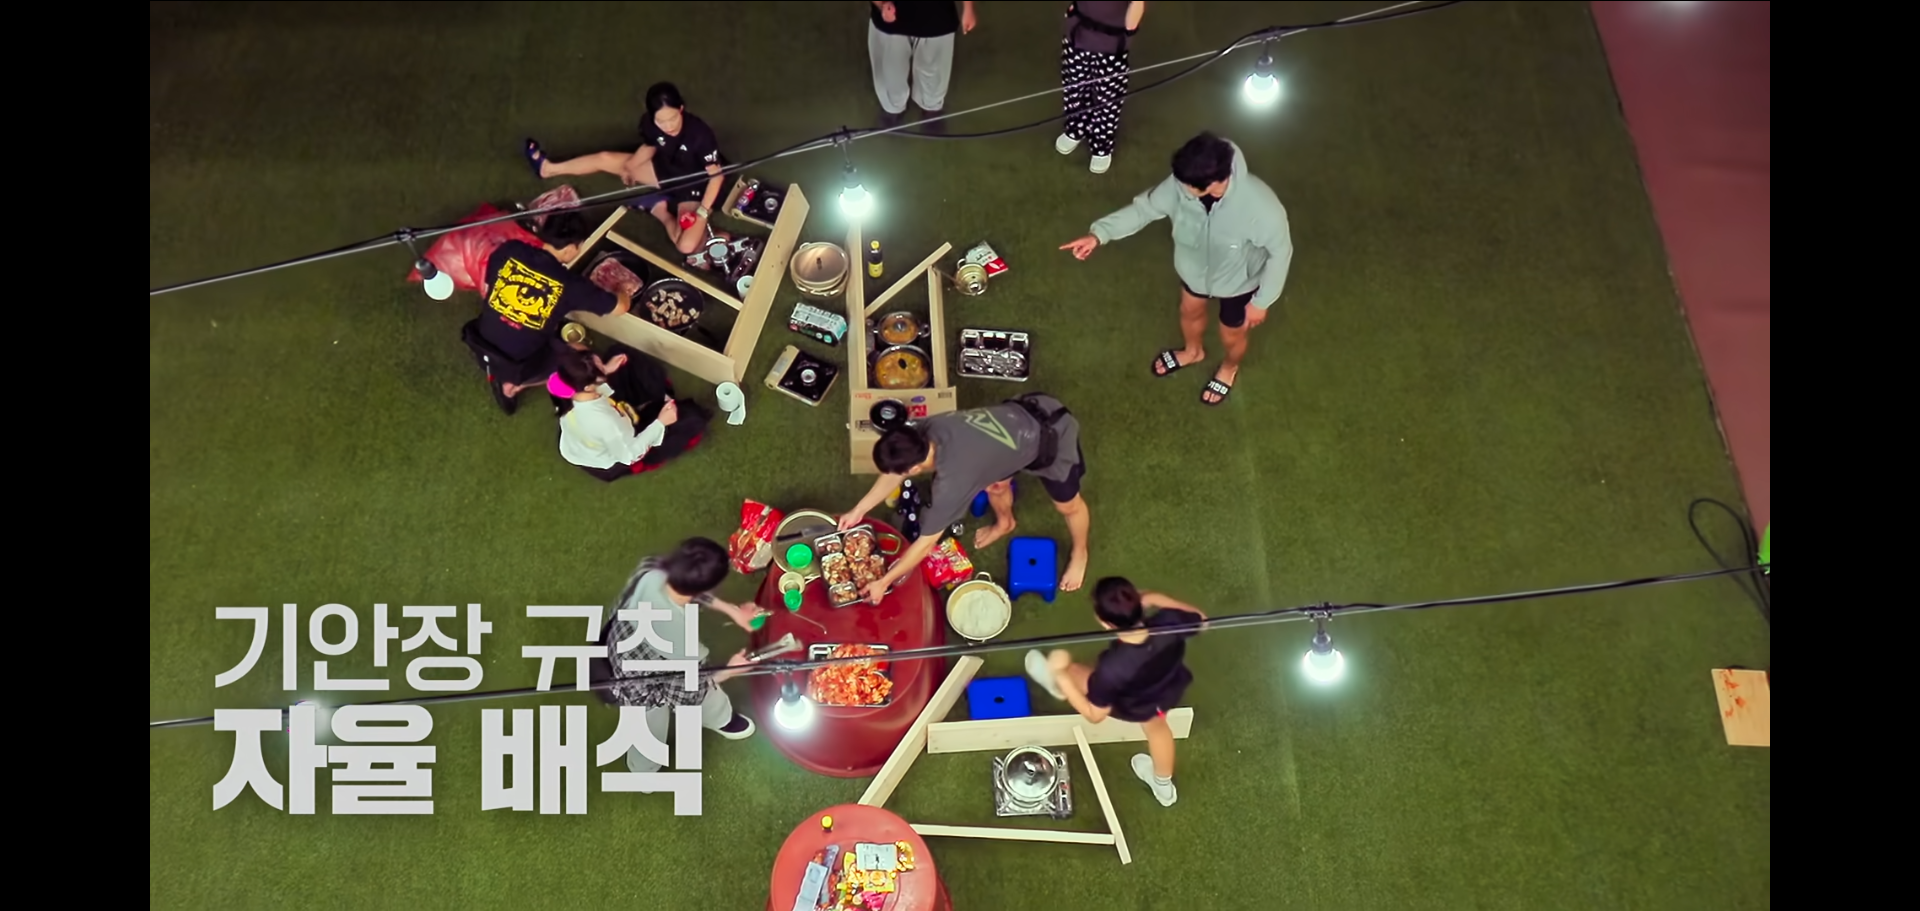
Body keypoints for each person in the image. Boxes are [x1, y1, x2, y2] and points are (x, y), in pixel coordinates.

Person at [1060, 132, 1294, 406]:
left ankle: (1229, 367)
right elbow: (1145, 209)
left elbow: (1280, 253)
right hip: (1193, 272)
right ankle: (1193, 351)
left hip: (1239, 282)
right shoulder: (1182, 183)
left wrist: (1262, 302)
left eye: (1186, 186)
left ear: (1213, 182)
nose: (1178, 188)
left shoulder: (1262, 207)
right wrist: (1099, 235)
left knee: (1232, 334)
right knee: (1189, 311)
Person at [838, 393, 1091, 596]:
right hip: (1013, 426)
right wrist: (859, 510)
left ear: (914, 470)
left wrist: (884, 582)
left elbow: (925, 544)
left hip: (1053, 435)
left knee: (1068, 507)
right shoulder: (920, 431)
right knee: (996, 484)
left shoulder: (953, 482)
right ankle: (1005, 523)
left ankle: (1080, 553)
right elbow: (895, 472)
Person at [1025, 577, 1205, 806]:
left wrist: (1060, 672)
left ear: (1105, 622)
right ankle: (1163, 787)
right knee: (1157, 727)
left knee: (1074, 672)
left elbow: (1095, 715)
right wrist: (1157, 598)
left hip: (1133, 704)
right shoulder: (1170, 620)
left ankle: (1059, 686)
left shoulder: (1112, 669)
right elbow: (1201, 620)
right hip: (1167, 689)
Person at [601, 538, 773, 774]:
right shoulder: (680, 641)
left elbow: (688, 591)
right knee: (650, 724)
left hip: (619, 641)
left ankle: (721, 719)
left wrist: (733, 611)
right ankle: (644, 767)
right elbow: (693, 685)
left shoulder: (651, 568)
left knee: (709, 700)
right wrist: (730, 670)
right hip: (639, 682)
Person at [523, 82, 728, 256]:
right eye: (661, 121)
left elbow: (716, 177)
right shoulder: (650, 125)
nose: (668, 126)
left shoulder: (700, 134)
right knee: (605, 158)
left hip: (695, 186)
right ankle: (549, 169)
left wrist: (702, 212)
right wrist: (629, 167)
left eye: (673, 118)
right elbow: (650, 146)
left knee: (686, 246)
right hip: (666, 170)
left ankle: (659, 210)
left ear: (681, 109)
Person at [470, 212, 632, 415]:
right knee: (581, 360)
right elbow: (621, 307)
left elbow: (489, 287)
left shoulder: (510, 249)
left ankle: (507, 374)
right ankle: (512, 386)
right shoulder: (570, 285)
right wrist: (622, 290)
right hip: (515, 364)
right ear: (571, 248)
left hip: (482, 339)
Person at [550, 345, 711, 481]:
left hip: (603, 428)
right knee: (693, 418)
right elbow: (629, 455)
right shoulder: (604, 421)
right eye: (599, 367)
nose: (601, 363)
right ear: (588, 386)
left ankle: (659, 398)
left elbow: (596, 390)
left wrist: (606, 370)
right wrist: (661, 423)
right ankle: (660, 407)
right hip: (619, 453)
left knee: (620, 353)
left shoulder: (567, 388)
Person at [1054, 1, 1146, 174]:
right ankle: (1075, 126)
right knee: (1074, 85)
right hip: (1078, 33)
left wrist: (1129, 32)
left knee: (1108, 97)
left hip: (1112, 42)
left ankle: (1102, 144)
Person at [868, 1, 978, 131]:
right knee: (890, 73)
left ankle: (931, 107)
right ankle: (892, 108)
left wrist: (968, 8)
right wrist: (881, 5)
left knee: (934, 71)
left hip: (938, 16)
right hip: (890, 19)